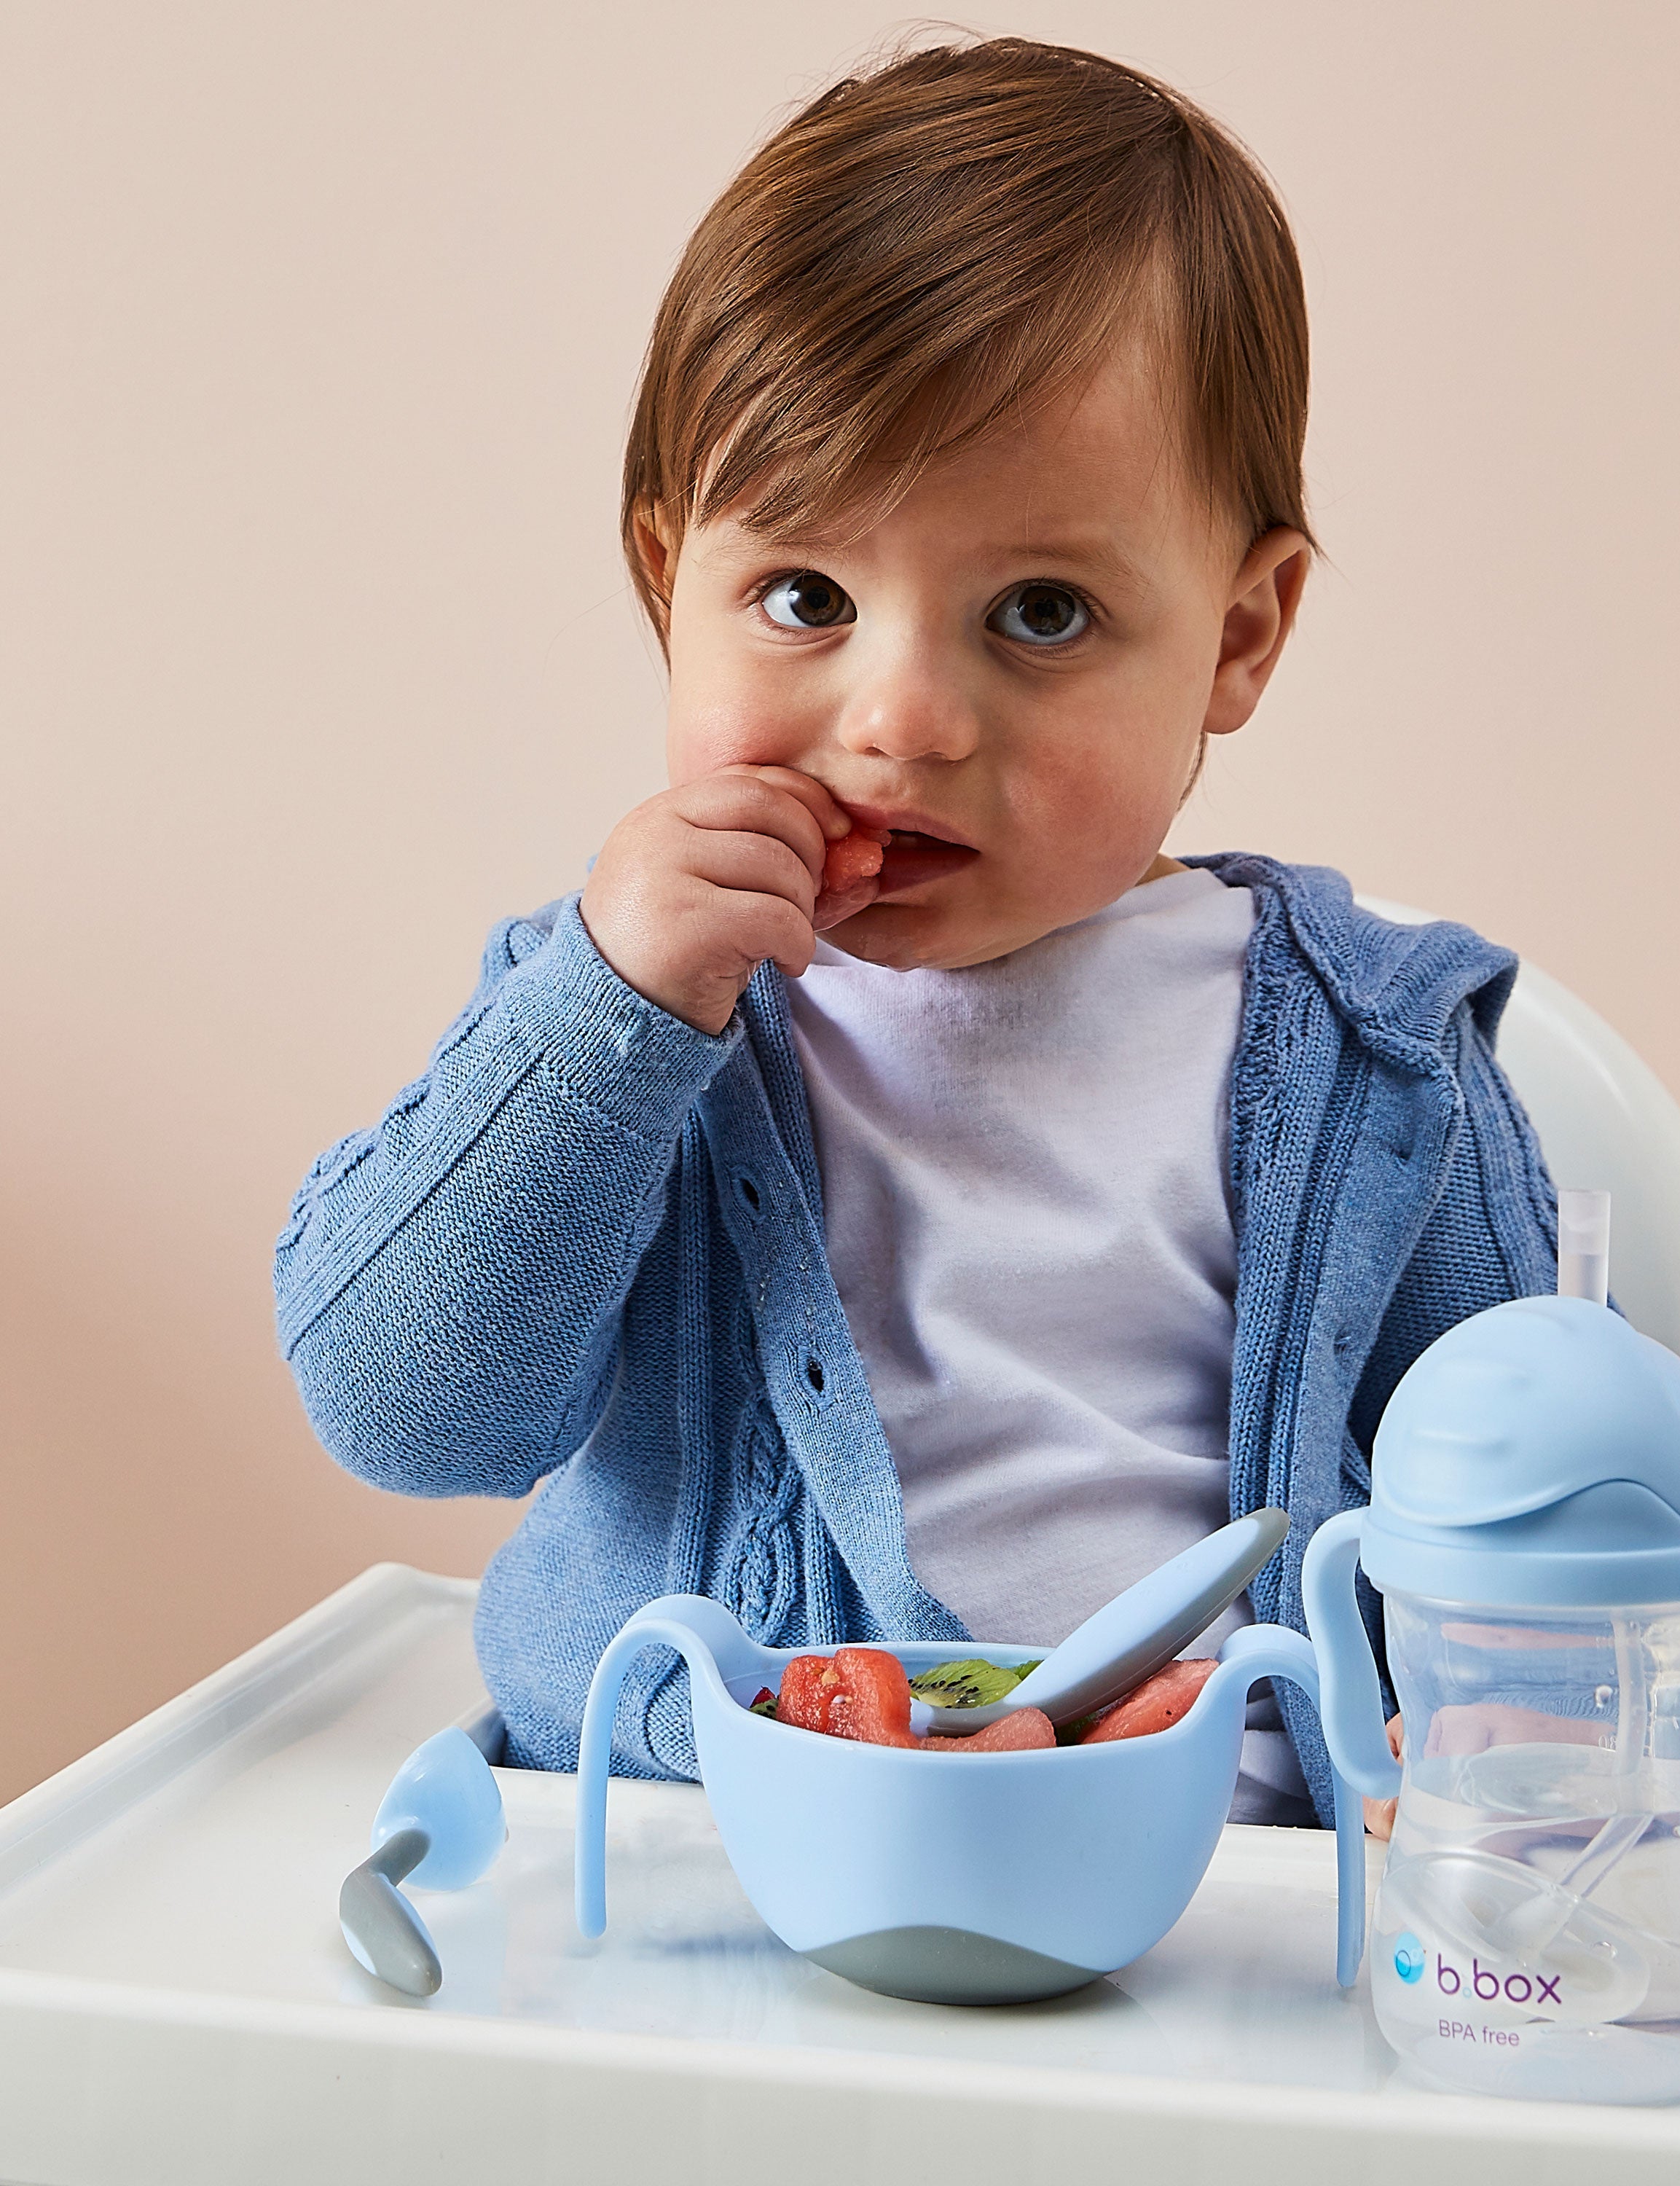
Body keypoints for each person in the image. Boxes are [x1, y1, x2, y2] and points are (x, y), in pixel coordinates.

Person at [274, 35, 1560, 1827]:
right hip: (702, 1855)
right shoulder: (619, 1014)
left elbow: (1517, 1498)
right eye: (803, 597)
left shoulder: (1376, 1055)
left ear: (1242, 636)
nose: (903, 717)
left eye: (1040, 610)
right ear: (672, 582)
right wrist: (608, 1016)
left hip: (1205, 1884)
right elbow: (410, 1414)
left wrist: (1493, 1734)